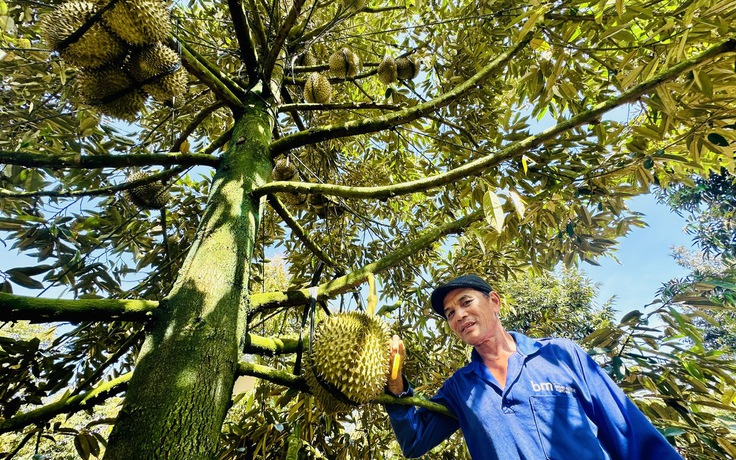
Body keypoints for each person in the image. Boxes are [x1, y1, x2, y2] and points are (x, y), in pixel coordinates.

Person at [384, 274, 683, 459]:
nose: (459, 315)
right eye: (450, 313)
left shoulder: (560, 354)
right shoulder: (460, 387)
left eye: (466, 302)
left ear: (495, 302)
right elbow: (414, 441)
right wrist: (396, 381)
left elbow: (626, 427)